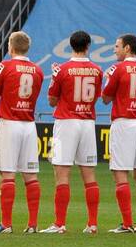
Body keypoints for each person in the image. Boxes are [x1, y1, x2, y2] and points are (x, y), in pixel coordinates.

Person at [41, 30, 103, 234]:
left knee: (62, 174)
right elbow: (96, 97)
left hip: (67, 122)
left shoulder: (62, 70)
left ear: (70, 45)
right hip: (87, 121)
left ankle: (59, 224)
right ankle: (92, 224)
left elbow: (51, 100)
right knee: (89, 174)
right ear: (88, 46)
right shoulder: (97, 70)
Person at [0, 31, 44, 235]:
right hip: (28, 125)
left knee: (8, 174)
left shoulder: (5, 66)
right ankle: (32, 224)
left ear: (11, 47)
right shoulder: (37, 70)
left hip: (9, 122)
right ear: (27, 48)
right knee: (31, 175)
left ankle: (6, 224)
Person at [101, 33, 136, 234]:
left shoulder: (118, 69)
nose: (115, 49)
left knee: (120, 172)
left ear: (127, 48)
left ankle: (127, 224)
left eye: (117, 46)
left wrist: (108, 82)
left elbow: (105, 98)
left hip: (124, 122)